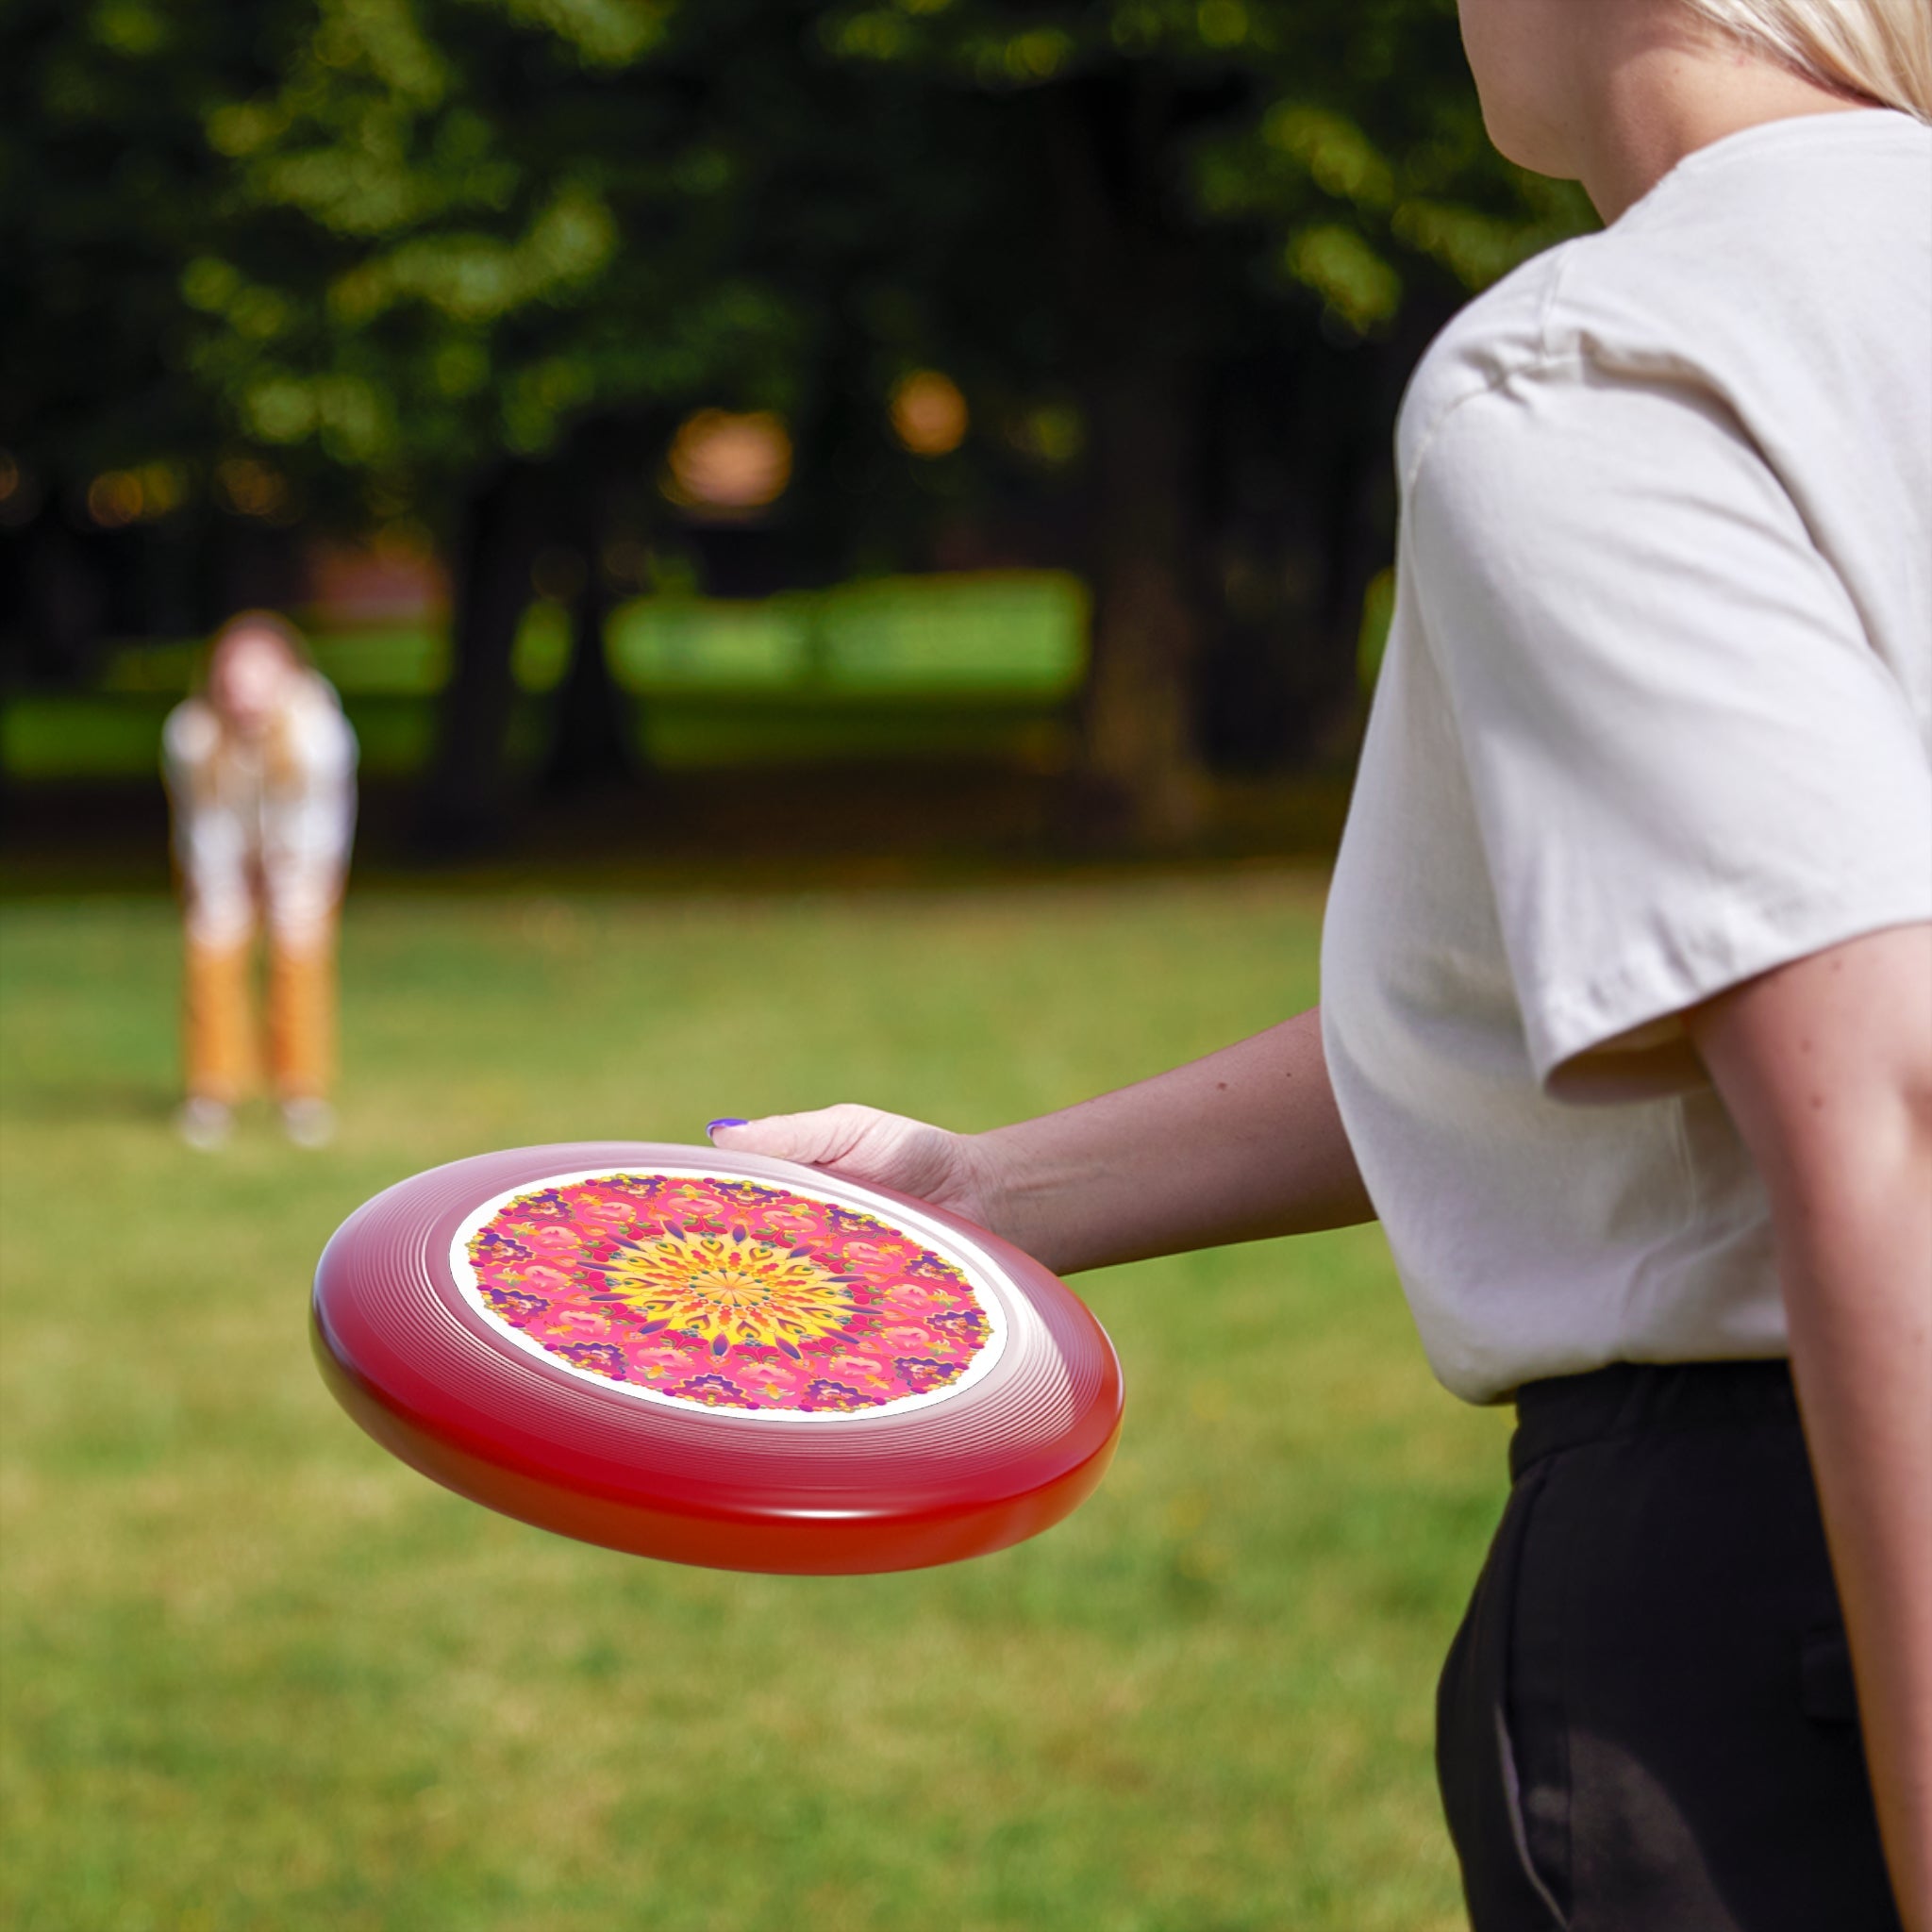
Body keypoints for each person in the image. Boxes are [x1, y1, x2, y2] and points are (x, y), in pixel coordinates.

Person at [707, 2, 1932, 1925]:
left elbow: (1884, 1098)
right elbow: (1636, 987)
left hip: (1794, 1592)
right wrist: (986, 1190)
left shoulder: (1608, 361)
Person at [162, 611, 358, 1150]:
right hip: (221, 856)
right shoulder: (191, 735)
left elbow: (317, 824)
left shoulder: (319, 733)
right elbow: (204, 823)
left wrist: (288, 882)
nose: (244, 690)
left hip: (302, 858)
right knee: (212, 952)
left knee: (299, 958)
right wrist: (224, 889)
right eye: (234, 675)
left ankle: (301, 1092)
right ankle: (212, 1091)